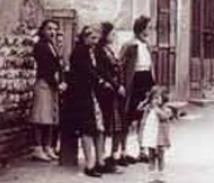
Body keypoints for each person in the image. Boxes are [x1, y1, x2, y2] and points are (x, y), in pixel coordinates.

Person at [67, 25, 111, 177]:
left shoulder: (92, 52)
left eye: (97, 38)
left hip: (93, 95)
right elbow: (87, 72)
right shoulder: (79, 52)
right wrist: (100, 81)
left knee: (99, 128)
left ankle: (100, 161)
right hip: (82, 95)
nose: (95, 41)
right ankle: (89, 164)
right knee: (87, 129)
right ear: (84, 37)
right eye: (92, 38)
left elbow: (98, 70)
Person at [116, 15, 156, 165]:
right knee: (127, 116)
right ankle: (123, 151)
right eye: (147, 28)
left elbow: (150, 66)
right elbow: (120, 65)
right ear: (141, 29)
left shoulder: (146, 46)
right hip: (134, 82)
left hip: (146, 81)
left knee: (144, 118)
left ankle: (142, 150)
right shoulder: (129, 45)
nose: (149, 31)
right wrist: (122, 83)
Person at [30, 19, 65, 162]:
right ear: (43, 30)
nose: (52, 32)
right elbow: (45, 68)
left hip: (53, 84)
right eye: (49, 29)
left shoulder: (52, 46)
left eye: (55, 29)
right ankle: (38, 147)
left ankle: (48, 146)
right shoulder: (40, 46)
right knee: (40, 116)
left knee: (51, 117)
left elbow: (59, 65)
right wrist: (56, 82)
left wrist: (61, 81)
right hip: (44, 83)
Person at [94, 22, 126, 172]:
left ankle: (113, 156)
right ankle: (102, 159)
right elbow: (103, 72)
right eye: (112, 34)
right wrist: (115, 85)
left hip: (114, 92)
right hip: (106, 93)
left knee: (117, 126)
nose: (114, 36)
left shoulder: (108, 50)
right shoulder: (99, 51)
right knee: (108, 126)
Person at [140, 86, 176, 183]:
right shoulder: (148, 109)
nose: (155, 101)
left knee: (160, 156)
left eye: (157, 98)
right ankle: (151, 175)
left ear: (162, 99)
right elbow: (140, 112)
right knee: (151, 156)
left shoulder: (165, 109)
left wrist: (156, 108)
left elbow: (165, 117)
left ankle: (161, 174)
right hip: (151, 136)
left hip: (160, 137)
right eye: (153, 98)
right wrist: (145, 102)